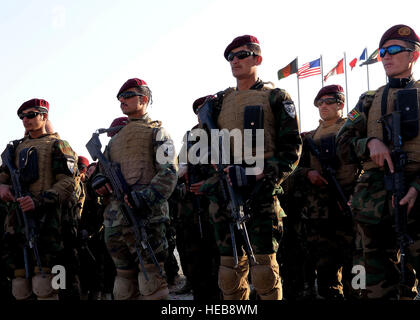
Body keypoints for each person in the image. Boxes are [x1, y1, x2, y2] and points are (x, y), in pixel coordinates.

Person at [198, 35, 302, 300]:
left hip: (260, 192)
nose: (235, 61)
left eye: (242, 55)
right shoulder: (218, 102)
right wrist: (211, 159)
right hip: (225, 193)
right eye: (230, 57)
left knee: (264, 271)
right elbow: (201, 142)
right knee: (229, 274)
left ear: (258, 59)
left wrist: (259, 173)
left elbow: (291, 148)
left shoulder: (277, 97)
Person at [336, 24, 420, 299]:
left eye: (394, 50)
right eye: (383, 51)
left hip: (416, 196)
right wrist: (369, 143)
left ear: (413, 56)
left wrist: (416, 187)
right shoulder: (368, 100)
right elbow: (343, 141)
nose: (386, 56)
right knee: (374, 283)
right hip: (373, 202)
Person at [91, 78, 178, 300]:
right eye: (120, 98)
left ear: (144, 99)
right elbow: (101, 171)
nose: (122, 101)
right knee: (123, 285)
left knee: (152, 284)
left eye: (128, 96)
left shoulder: (157, 132)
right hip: (115, 220)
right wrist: (100, 182)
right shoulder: (114, 140)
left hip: (146, 217)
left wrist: (144, 198)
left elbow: (169, 172)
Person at [0, 98, 78, 300]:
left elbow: (68, 183)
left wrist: (40, 200)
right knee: (19, 284)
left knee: (45, 283)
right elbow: (3, 175)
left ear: (44, 117)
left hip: (47, 221)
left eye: (31, 115)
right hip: (17, 222)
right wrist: (2, 186)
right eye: (22, 116)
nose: (26, 119)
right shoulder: (14, 148)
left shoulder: (58, 145)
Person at [289, 85, 360, 299]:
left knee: (356, 265)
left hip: (349, 204)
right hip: (319, 212)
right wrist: (308, 173)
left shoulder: (352, 130)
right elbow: (292, 169)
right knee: (325, 268)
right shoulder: (308, 137)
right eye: (320, 103)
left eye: (329, 101)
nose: (324, 106)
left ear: (341, 104)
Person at [174, 96, 221, 300]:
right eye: (199, 110)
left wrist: (210, 182)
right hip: (193, 207)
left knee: (223, 266)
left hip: (219, 205)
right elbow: (179, 166)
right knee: (197, 263)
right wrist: (181, 171)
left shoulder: (224, 130)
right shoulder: (191, 137)